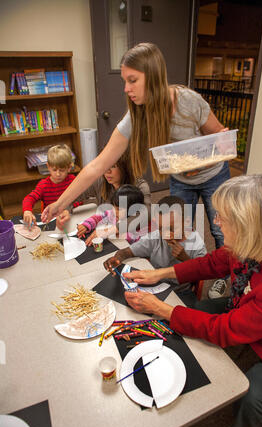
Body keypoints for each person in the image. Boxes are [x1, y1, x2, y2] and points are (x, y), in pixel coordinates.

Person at [123, 174, 262, 427]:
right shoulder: (256, 241)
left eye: (222, 218)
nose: (214, 223)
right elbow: (213, 262)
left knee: (257, 396)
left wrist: (160, 308)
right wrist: (160, 273)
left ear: (249, 228)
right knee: (194, 311)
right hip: (250, 306)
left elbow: (226, 330)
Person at [41, 42, 229, 297]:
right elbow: (98, 164)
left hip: (212, 174)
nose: (126, 88)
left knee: (220, 231)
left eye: (132, 80)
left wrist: (202, 162)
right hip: (181, 179)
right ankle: (175, 282)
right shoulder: (136, 115)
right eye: (124, 81)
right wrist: (60, 203)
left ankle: (225, 277)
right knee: (171, 232)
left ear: (151, 76)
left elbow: (219, 135)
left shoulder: (188, 101)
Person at [103, 195, 207, 292]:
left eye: (171, 229)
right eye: (161, 228)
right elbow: (127, 252)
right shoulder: (156, 236)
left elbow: (202, 274)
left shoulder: (197, 245)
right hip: (155, 285)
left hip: (180, 291)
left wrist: (185, 259)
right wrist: (117, 258)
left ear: (187, 222)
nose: (166, 234)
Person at [56, 152, 151, 245]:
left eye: (113, 166)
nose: (107, 171)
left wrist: (108, 231)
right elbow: (72, 195)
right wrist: (65, 210)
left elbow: (146, 214)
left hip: (127, 241)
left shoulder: (140, 186)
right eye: (105, 166)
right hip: (106, 237)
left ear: (125, 167)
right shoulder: (100, 181)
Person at [22, 144, 75, 228]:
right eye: (54, 170)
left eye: (62, 170)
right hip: (51, 221)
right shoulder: (44, 184)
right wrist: (27, 211)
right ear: (48, 167)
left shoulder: (72, 180)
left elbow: (78, 201)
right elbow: (29, 198)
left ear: (69, 168)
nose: (58, 174)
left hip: (69, 219)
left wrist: (68, 210)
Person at [76, 184, 147, 245]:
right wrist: (86, 225)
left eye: (119, 209)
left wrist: (109, 232)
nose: (114, 211)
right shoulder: (113, 214)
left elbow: (135, 240)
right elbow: (98, 217)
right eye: (113, 206)